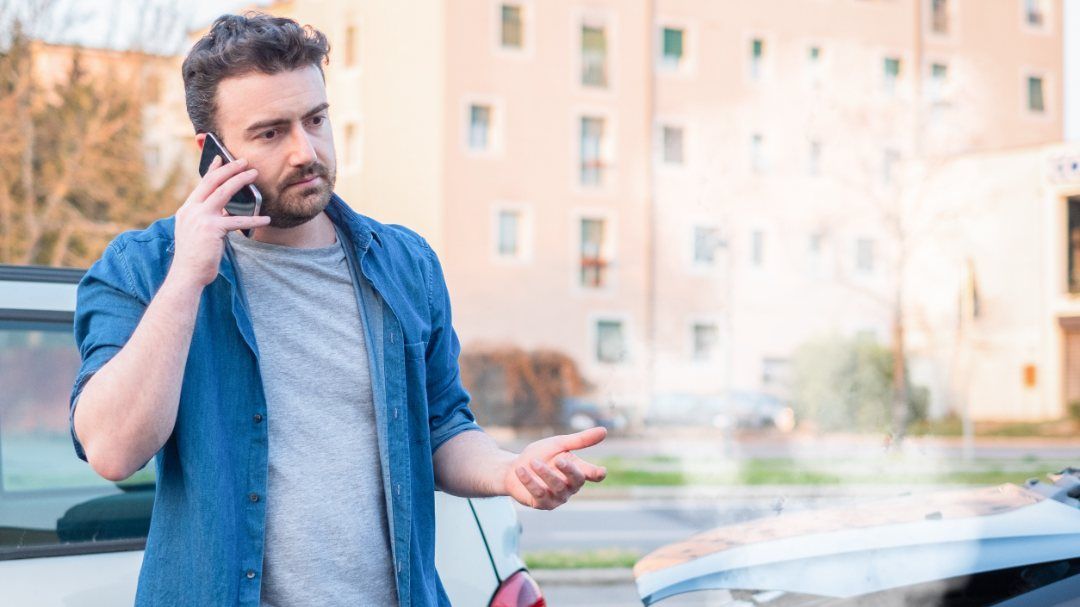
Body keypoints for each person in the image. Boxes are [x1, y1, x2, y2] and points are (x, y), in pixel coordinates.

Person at [69, 12, 607, 606]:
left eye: (316, 120)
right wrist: (187, 280)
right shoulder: (142, 269)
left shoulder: (405, 263)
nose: (306, 151)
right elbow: (113, 450)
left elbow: (442, 426)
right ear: (212, 153)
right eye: (271, 132)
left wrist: (509, 473)